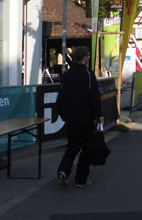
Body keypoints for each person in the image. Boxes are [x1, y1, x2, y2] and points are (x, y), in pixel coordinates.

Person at [56, 46, 103, 189]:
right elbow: (94, 96)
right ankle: (81, 179)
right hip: (86, 117)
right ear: (84, 58)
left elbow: (61, 96)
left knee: (72, 145)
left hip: (71, 117)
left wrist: (62, 113)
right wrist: (99, 114)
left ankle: (64, 170)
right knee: (88, 147)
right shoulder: (88, 74)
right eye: (88, 56)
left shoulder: (67, 74)